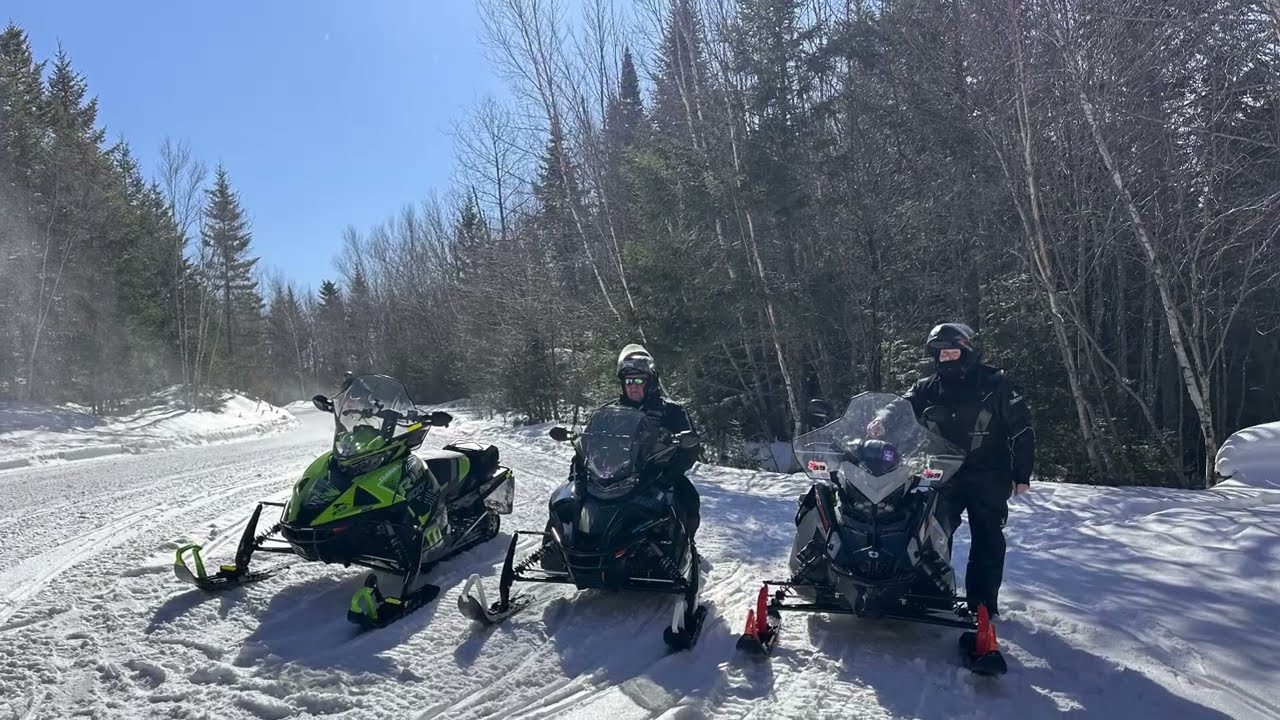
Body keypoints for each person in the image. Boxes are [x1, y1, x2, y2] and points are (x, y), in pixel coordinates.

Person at [870, 322, 1034, 617]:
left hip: (989, 473)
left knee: (987, 539)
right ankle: (931, 597)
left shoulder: (995, 383)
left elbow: (1021, 429)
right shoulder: (928, 386)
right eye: (941, 354)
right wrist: (882, 419)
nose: (946, 358)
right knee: (931, 534)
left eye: (952, 352)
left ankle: (983, 607)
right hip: (944, 472)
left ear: (968, 352)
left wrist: (1022, 474)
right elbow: (901, 404)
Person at [598, 343, 703, 543]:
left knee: (689, 498)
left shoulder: (672, 411)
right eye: (629, 381)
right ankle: (560, 548)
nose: (633, 386)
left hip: (658, 475)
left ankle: (685, 545)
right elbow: (591, 441)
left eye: (639, 380)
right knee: (569, 500)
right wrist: (579, 467)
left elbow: (690, 449)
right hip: (614, 477)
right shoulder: (608, 413)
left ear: (651, 381)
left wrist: (668, 476)